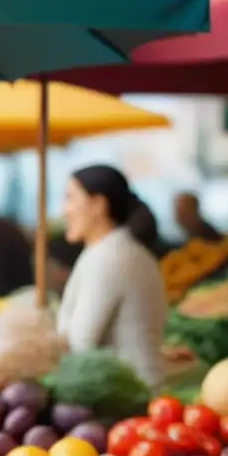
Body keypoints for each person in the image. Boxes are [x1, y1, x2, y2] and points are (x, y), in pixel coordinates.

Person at [57, 165, 168, 387]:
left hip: (129, 398)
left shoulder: (108, 257)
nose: (63, 210)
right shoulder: (118, 249)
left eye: (70, 198)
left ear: (98, 204)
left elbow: (80, 343)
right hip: (136, 389)